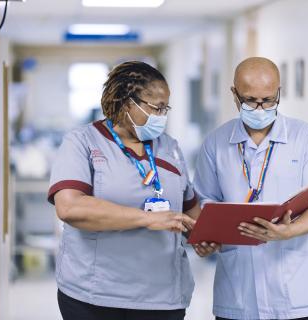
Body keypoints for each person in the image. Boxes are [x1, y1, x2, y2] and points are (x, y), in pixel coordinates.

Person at [48, 61, 200, 320]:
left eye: (166, 108)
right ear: (127, 103)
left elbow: (189, 210)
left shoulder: (170, 147)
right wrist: (146, 219)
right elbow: (70, 207)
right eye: (156, 108)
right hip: (96, 295)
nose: (162, 116)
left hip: (163, 296)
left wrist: (205, 235)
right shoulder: (82, 142)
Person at [193, 57, 308, 320]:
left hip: (295, 293)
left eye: (268, 100)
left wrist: (288, 231)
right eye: (250, 100)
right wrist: (206, 240)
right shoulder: (215, 143)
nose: (260, 108)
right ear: (234, 95)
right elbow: (204, 206)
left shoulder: (306, 138)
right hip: (236, 294)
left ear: (278, 92)